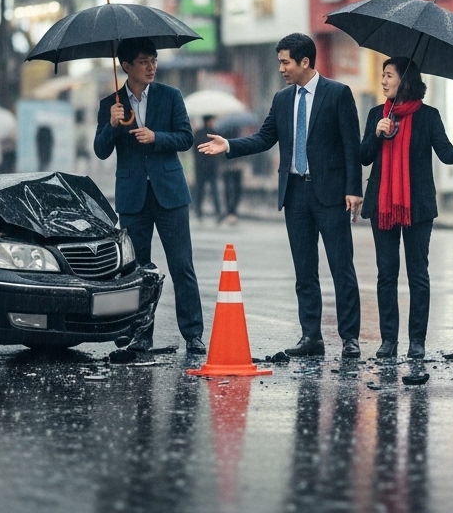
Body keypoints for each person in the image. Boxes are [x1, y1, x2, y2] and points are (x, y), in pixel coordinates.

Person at [198, 33, 364, 359]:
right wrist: (229, 145)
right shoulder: (282, 99)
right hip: (295, 193)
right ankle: (311, 336)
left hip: (330, 194)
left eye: (286, 62)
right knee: (304, 270)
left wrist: (354, 189)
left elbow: (351, 145)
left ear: (305, 61)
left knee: (341, 267)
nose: (281, 69)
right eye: (279, 63)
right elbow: (264, 138)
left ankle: (350, 339)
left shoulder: (337, 94)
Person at [360, 58, 453, 360]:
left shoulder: (428, 116)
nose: (383, 81)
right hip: (382, 205)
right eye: (382, 75)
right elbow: (363, 156)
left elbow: (445, 153)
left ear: (405, 80)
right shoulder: (376, 114)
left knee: (418, 274)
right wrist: (377, 134)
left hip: (417, 206)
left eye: (389, 75)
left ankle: (417, 341)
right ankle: (388, 340)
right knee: (386, 274)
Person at [94, 40, 205, 354]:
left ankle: (193, 334)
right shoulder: (111, 104)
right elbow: (100, 150)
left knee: (182, 265)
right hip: (133, 197)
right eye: (143, 61)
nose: (151, 67)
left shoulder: (170, 96)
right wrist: (112, 125)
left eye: (154, 60)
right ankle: (139, 333)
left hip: (170, 194)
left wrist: (157, 137)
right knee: (135, 270)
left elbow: (185, 137)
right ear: (126, 66)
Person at [191, 116, 223, 222]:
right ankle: (216, 212)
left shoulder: (199, 133)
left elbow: (195, 150)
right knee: (211, 190)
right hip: (209, 166)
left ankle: (200, 211)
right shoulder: (214, 133)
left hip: (203, 166)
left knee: (202, 190)